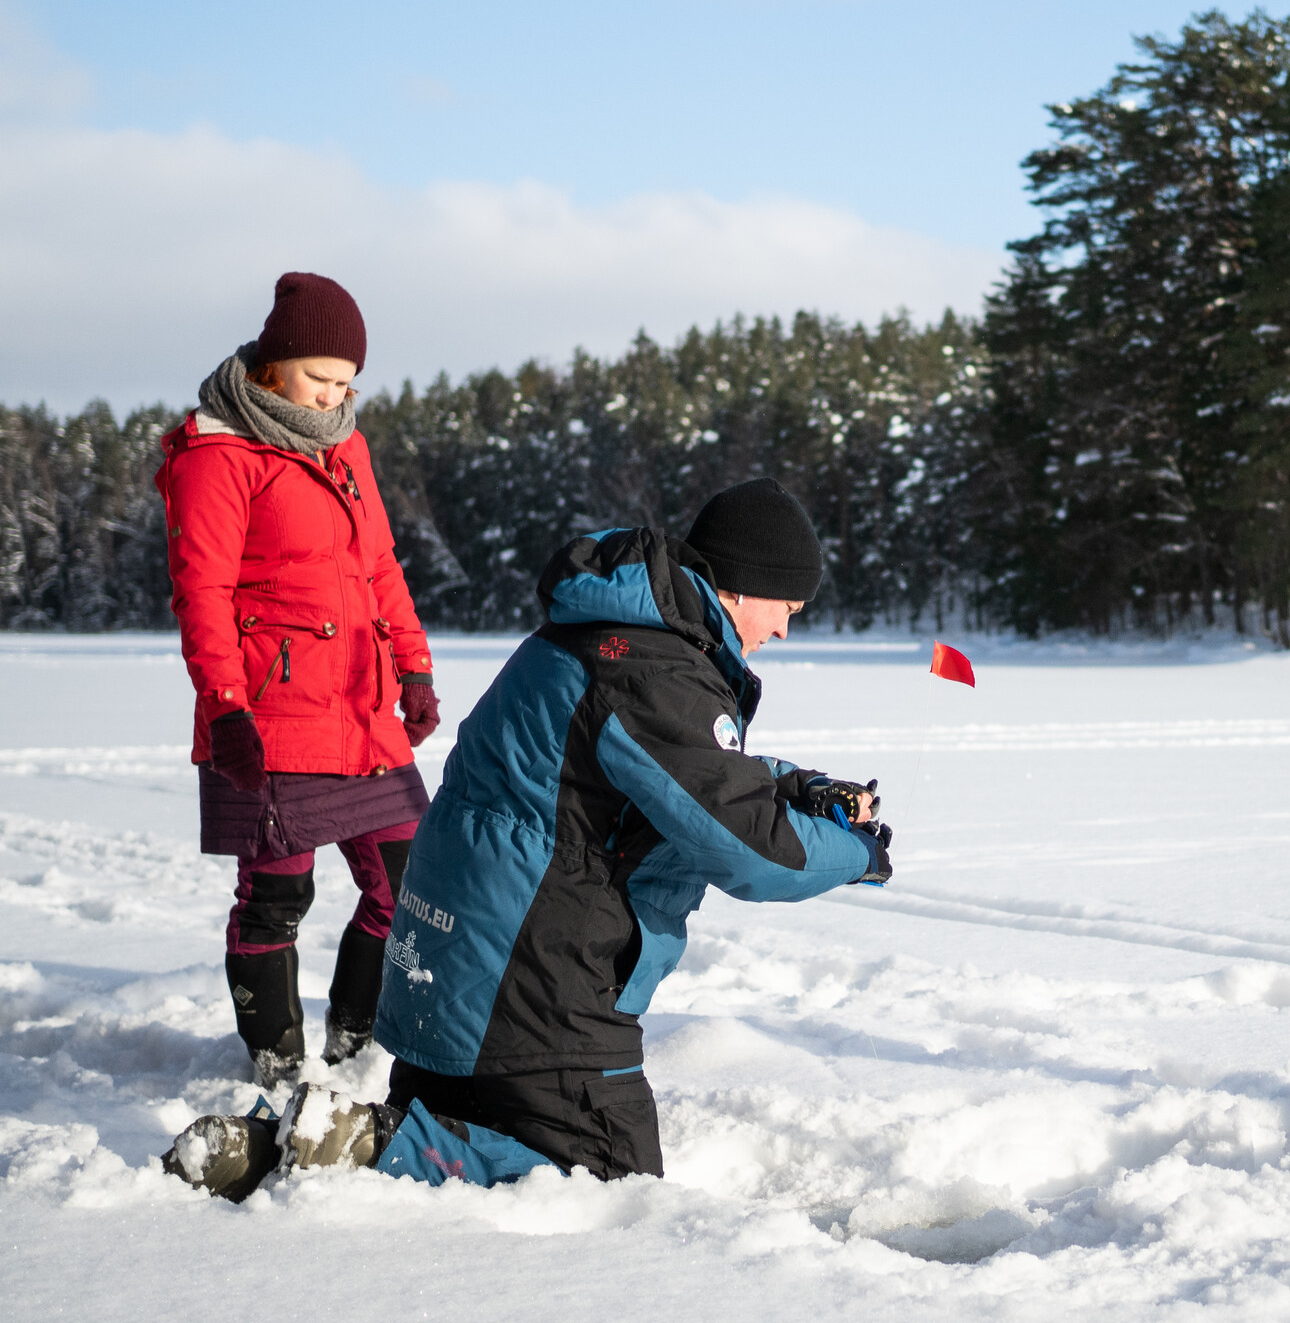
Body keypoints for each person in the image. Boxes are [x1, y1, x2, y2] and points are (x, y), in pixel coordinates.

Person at [164, 478, 890, 1200]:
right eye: (787, 607)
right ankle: (373, 1152)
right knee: (609, 1193)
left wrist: (799, 787)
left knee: (447, 1173)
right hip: (534, 993)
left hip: (448, 976)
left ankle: (292, 1149)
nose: (785, 630)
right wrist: (860, 854)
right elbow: (750, 848)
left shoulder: (605, 638)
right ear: (741, 584)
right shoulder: (652, 667)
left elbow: (690, 769)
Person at [154, 273, 441, 1088]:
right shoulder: (218, 455)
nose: (335, 396)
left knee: (408, 884)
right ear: (273, 366)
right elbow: (201, 595)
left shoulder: (345, 446)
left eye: (348, 382)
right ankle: (280, 1069)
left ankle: (356, 1049)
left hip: (358, 710)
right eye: (321, 378)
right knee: (278, 895)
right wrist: (226, 709)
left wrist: (413, 663)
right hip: (274, 711)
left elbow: (379, 564)